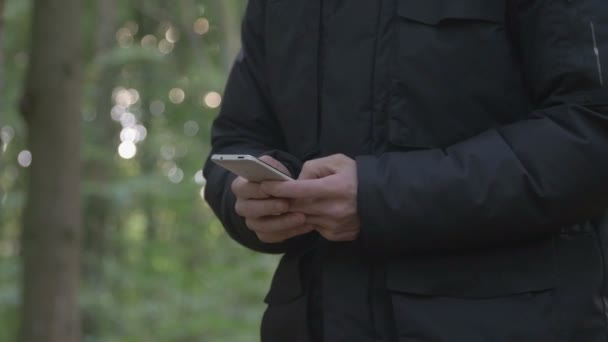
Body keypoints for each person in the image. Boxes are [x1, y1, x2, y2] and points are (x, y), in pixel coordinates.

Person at [203, 0, 608, 341]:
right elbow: (235, 142)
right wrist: (251, 200)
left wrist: (379, 198)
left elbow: (590, 128)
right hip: (314, 322)